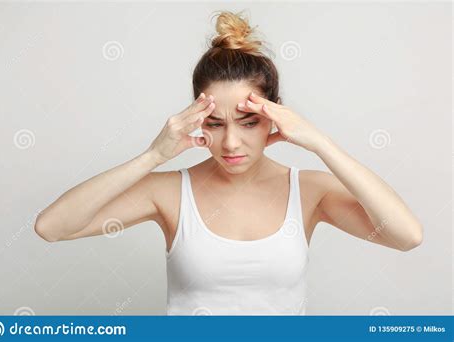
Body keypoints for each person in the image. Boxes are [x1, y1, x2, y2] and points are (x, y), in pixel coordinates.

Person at [34, 10, 423, 315]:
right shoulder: (170, 192)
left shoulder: (308, 191)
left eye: (249, 121)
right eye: (215, 124)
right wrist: (153, 156)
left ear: (273, 116)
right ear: (197, 119)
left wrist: (320, 143)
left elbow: (407, 236)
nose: (231, 142)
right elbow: (51, 228)